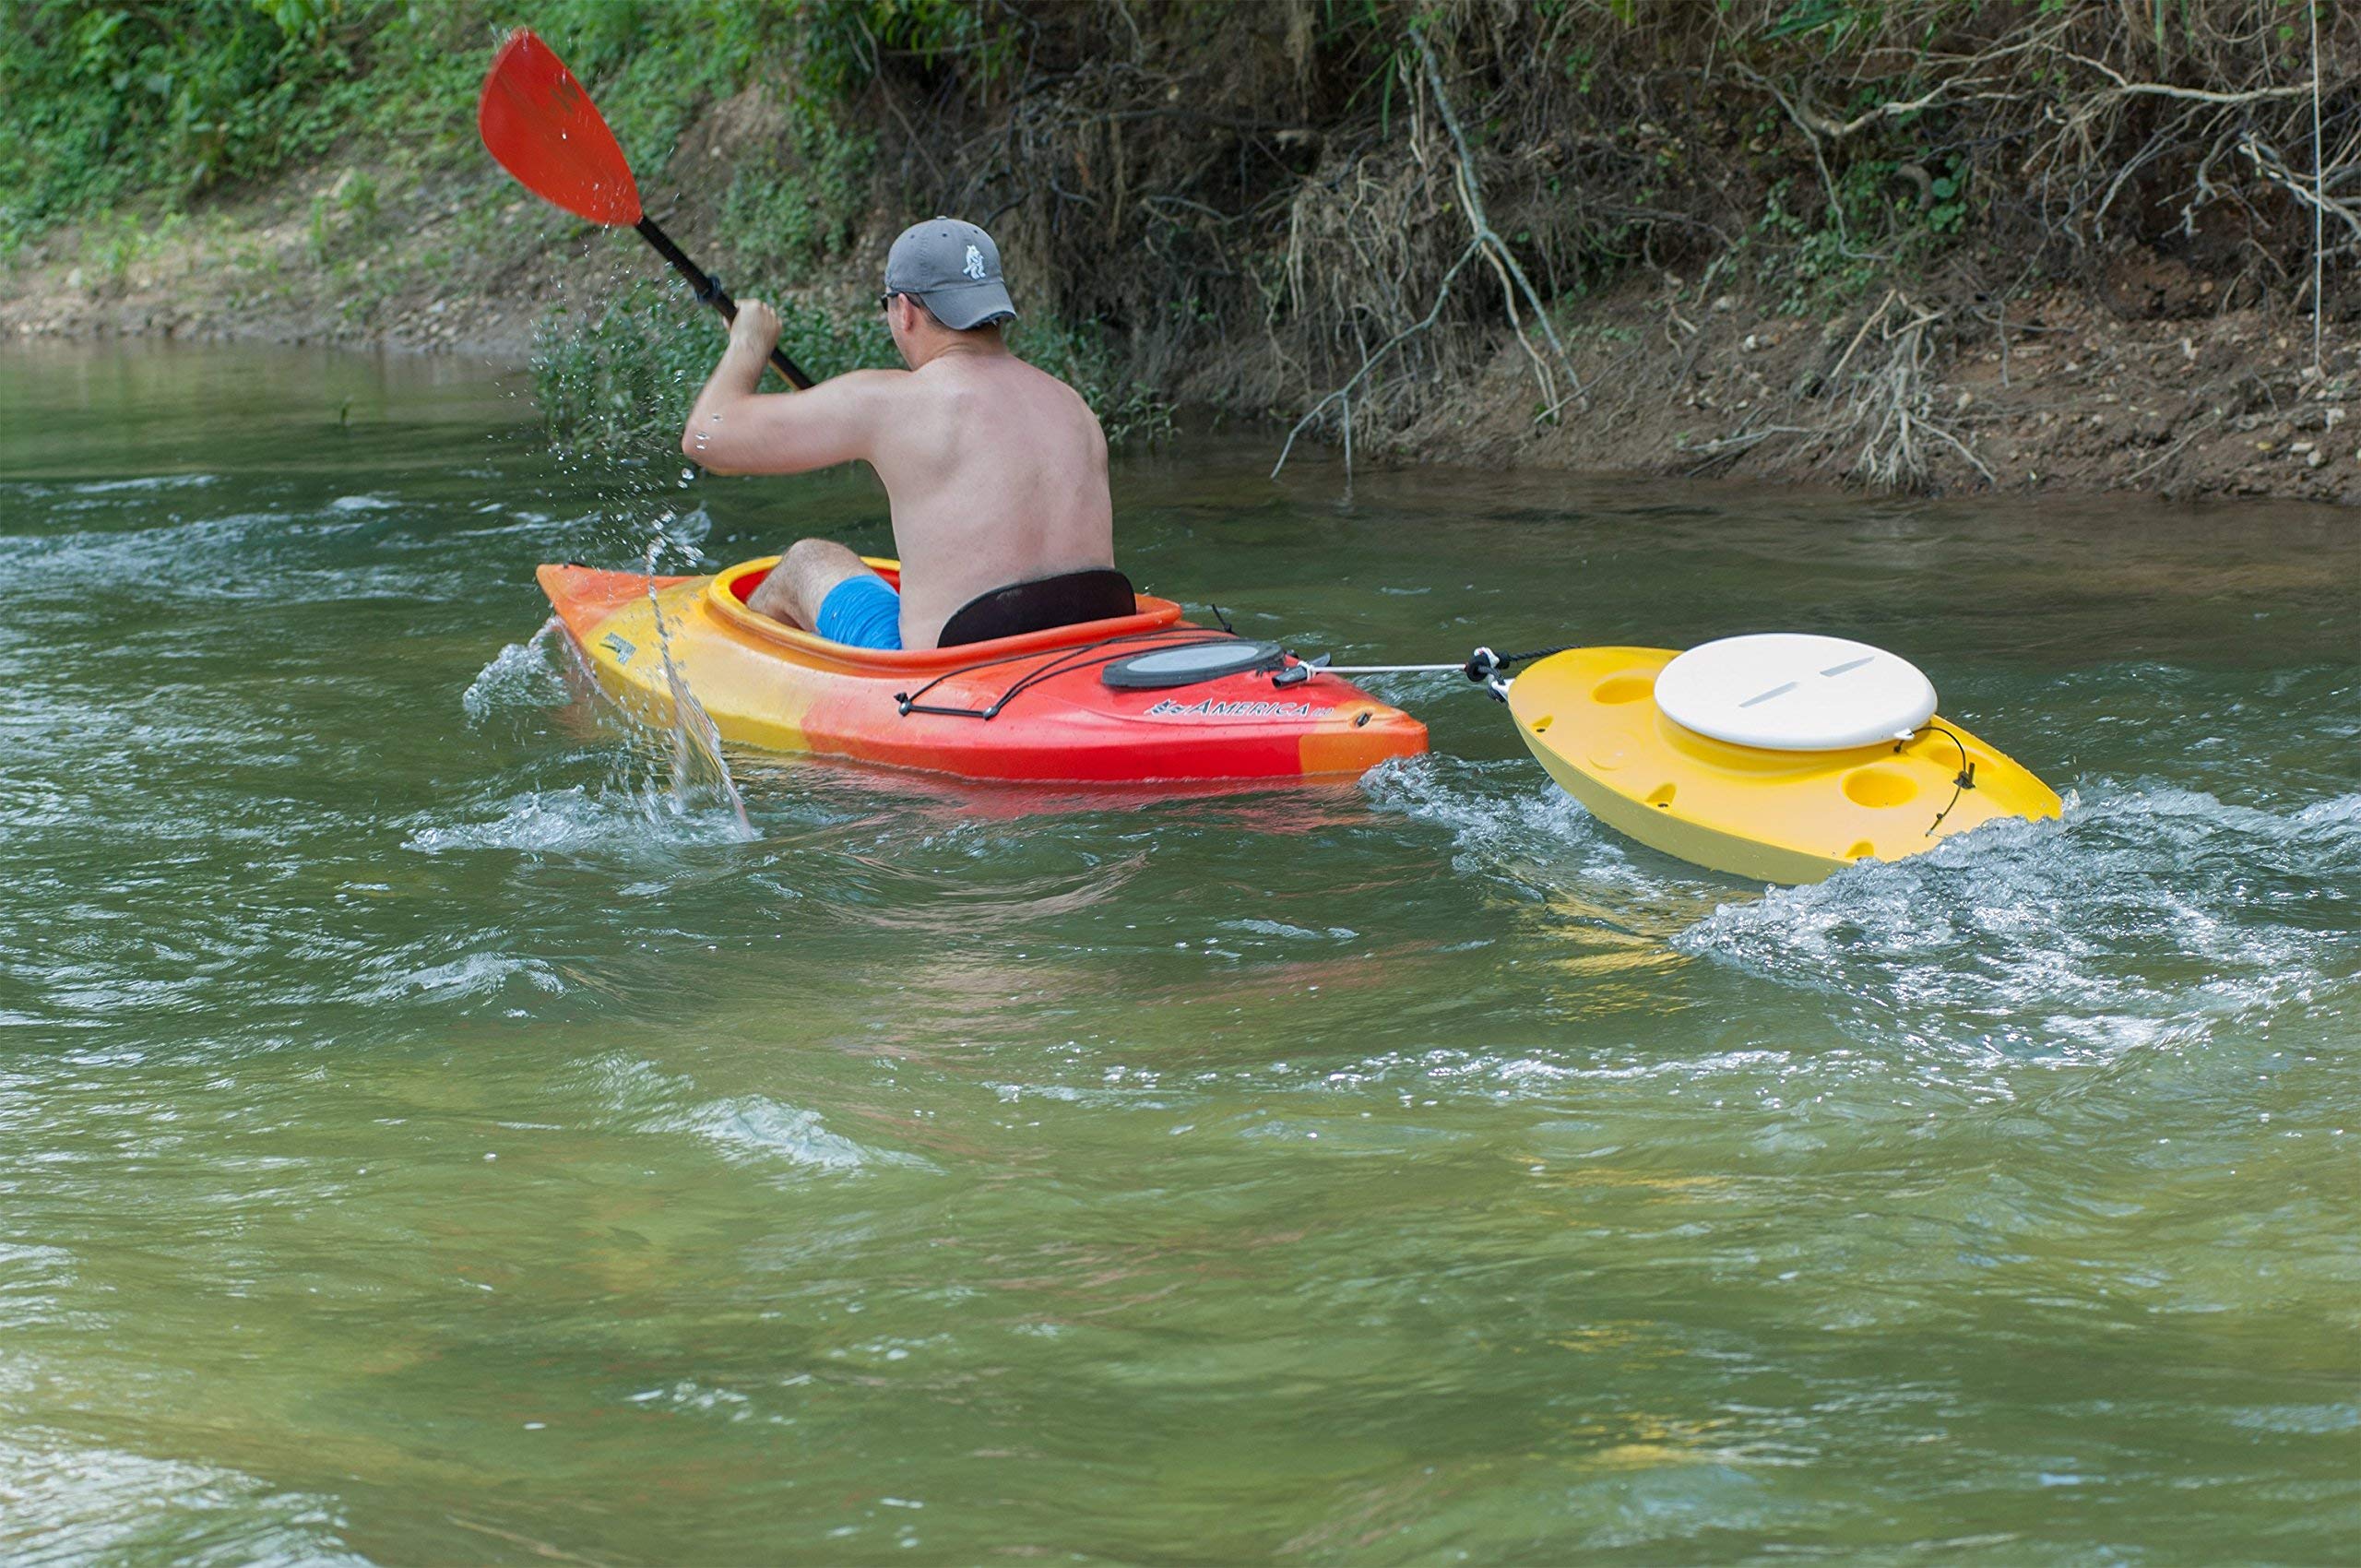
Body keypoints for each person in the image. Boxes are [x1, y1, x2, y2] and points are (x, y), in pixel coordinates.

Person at [680, 217, 1115, 651]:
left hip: (948, 677)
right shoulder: (1075, 407)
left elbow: (705, 439)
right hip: (1086, 649)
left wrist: (749, 344)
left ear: (903, 310)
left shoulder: (893, 404)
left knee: (806, 560)